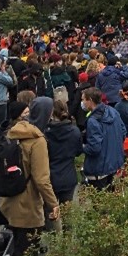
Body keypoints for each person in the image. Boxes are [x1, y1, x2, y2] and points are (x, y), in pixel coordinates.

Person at [0, 103, 59, 256]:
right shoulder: (37, 141)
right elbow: (41, 178)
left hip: (9, 199)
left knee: (18, 245)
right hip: (28, 202)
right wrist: (53, 203)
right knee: (29, 253)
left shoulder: (9, 135)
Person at [44, 98, 82, 230]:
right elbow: (78, 151)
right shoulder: (74, 131)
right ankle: (66, 242)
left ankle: (53, 239)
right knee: (67, 212)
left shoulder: (44, 134)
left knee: (50, 212)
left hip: (50, 176)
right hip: (68, 175)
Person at [80, 87, 125, 190]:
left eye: (83, 99)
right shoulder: (112, 111)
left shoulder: (93, 121)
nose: (82, 103)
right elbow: (123, 132)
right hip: (115, 163)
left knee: (99, 202)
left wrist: (82, 147)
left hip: (99, 168)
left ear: (90, 100)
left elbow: (94, 148)